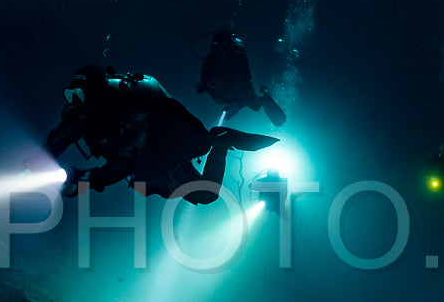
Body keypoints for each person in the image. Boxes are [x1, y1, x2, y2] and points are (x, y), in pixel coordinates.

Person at [43, 64, 277, 204]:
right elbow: (63, 134)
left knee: (206, 195)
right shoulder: (82, 112)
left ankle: (220, 142)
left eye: (81, 95)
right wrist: (36, 162)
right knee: (183, 191)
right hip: (148, 161)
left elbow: (129, 157)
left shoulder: (130, 108)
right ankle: (217, 142)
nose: (75, 102)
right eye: (71, 94)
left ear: (98, 94)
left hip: (166, 150)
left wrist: (86, 181)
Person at [196, 27, 287, 126]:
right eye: (216, 46)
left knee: (254, 106)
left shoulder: (236, 55)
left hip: (241, 88)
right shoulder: (212, 59)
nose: (219, 51)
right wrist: (204, 85)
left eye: (221, 46)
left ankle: (263, 94)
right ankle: (253, 98)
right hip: (231, 91)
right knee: (227, 106)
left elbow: (244, 75)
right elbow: (205, 74)